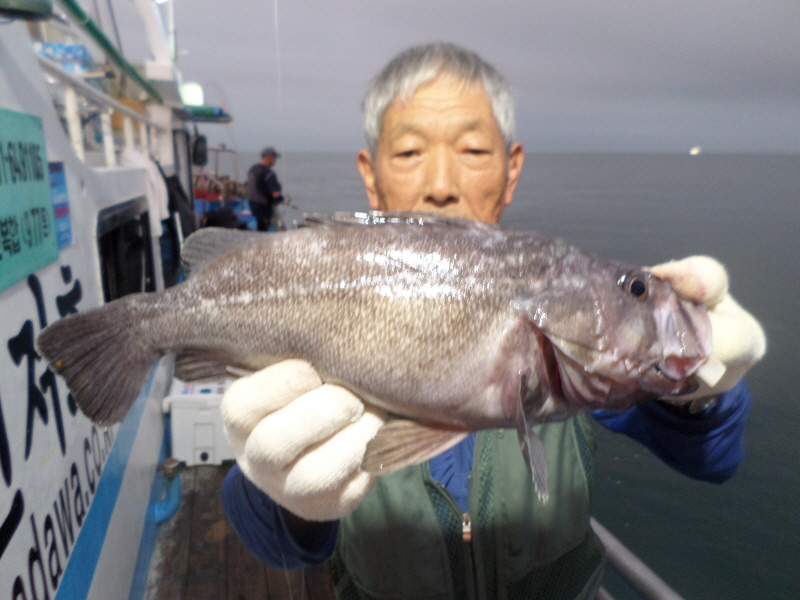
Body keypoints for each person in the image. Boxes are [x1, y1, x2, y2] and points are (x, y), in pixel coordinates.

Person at [221, 43, 766, 599]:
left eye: (474, 150)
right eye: (409, 152)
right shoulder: (313, 299)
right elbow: (273, 545)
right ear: (371, 174)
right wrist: (286, 496)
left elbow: (714, 460)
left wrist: (698, 394)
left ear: (511, 170)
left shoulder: (574, 341)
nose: (440, 182)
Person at [246, 146, 284, 231]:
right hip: (263, 207)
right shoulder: (269, 173)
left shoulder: (253, 169)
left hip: (252, 204)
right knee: (263, 230)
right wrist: (282, 199)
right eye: (274, 158)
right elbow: (275, 194)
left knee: (259, 225)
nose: (275, 161)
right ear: (269, 158)